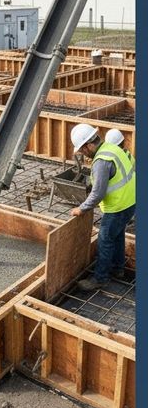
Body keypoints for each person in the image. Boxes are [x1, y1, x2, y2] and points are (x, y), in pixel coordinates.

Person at [70, 124, 136, 290]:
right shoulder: (111, 148)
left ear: (89, 145)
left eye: (83, 150)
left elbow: (98, 193)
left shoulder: (102, 161)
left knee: (105, 240)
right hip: (130, 201)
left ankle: (100, 278)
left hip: (118, 206)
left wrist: (82, 208)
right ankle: (118, 269)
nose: (83, 154)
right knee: (117, 235)